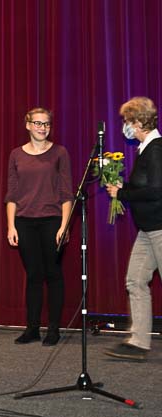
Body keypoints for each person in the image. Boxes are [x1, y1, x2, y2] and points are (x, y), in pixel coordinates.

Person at [5, 108, 73, 346]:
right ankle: (32, 328)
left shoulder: (59, 153)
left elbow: (66, 193)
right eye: (37, 123)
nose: (42, 128)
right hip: (24, 221)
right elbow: (12, 193)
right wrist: (11, 226)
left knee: (53, 274)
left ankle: (53, 329)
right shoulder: (16, 154)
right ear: (27, 125)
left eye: (46, 124)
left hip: (52, 220)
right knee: (33, 275)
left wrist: (64, 225)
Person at [104, 97, 162, 361]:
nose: (125, 126)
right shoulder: (145, 148)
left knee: (136, 281)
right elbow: (145, 187)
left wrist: (122, 193)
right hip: (147, 229)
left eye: (127, 121)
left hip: (159, 228)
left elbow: (157, 190)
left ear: (138, 122)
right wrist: (123, 188)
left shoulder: (156, 149)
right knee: (135, 281)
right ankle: (138, 342)